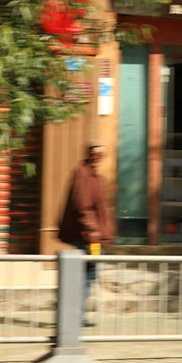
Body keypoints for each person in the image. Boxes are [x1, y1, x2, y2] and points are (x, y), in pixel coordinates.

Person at [59, 140, 114, 327]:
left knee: (86, 274)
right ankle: (74, 316)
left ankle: (72, 312)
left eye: (101, 154)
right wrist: (92, 231)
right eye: (95, 153)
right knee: (87, 275)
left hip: (93, 237)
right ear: (89, 154)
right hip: (89, 238)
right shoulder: (82, 174)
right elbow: (82, 206)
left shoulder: (95, 176)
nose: (98, 157)